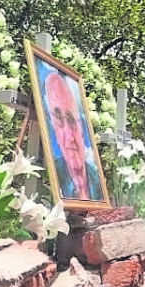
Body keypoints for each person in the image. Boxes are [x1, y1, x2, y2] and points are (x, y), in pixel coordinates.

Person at [44, 70, 103, 201]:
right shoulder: (49, 179)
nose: (70, 138)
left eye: (71, 121)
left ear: (82, 128)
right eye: (59, 120)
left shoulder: (98, 183)